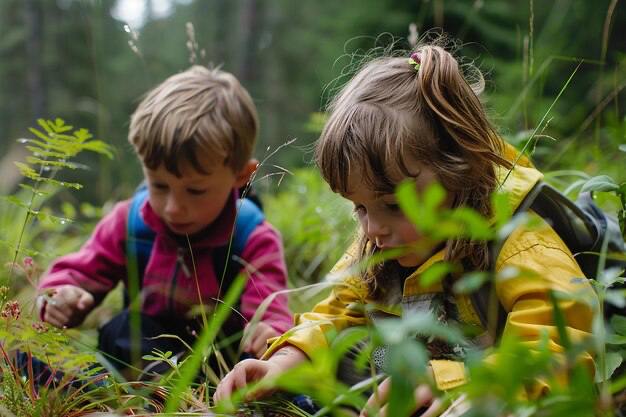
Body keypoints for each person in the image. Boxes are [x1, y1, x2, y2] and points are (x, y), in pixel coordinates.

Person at [213, 43, 597, 415]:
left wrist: (459, 384)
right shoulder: (379, 245)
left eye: (395, 206)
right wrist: (283, 362)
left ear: (461, 170)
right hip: (407, 369)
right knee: (354, 349)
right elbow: (337, 316)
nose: (374, 228)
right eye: (360, 207)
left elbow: (559, 348)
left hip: (489, 387)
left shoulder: (520, 243)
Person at [36, 65, 292, 376]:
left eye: (195, 190)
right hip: (142, 354)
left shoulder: (251, 237)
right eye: (158, 186)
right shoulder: (129, 224)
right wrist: (62, 296)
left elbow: (271, 314)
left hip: (219, 367)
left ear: (241, 176)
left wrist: (268, 333)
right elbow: (75, 274)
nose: (173, 208)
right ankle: (159, 395)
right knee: (122, 330)